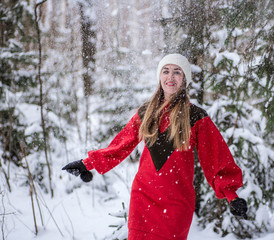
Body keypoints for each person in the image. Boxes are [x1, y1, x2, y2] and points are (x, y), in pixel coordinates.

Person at [62, 53, 248, 240]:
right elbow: (120, 145)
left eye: (177, 72)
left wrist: (232, 195)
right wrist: (87, 164)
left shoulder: (196, 117)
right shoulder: (146, 112)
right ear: (159, 76)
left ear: (184, 79)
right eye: (166, 71)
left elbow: (216, 158)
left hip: (177, 203)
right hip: (143, 197)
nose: (170, 77)